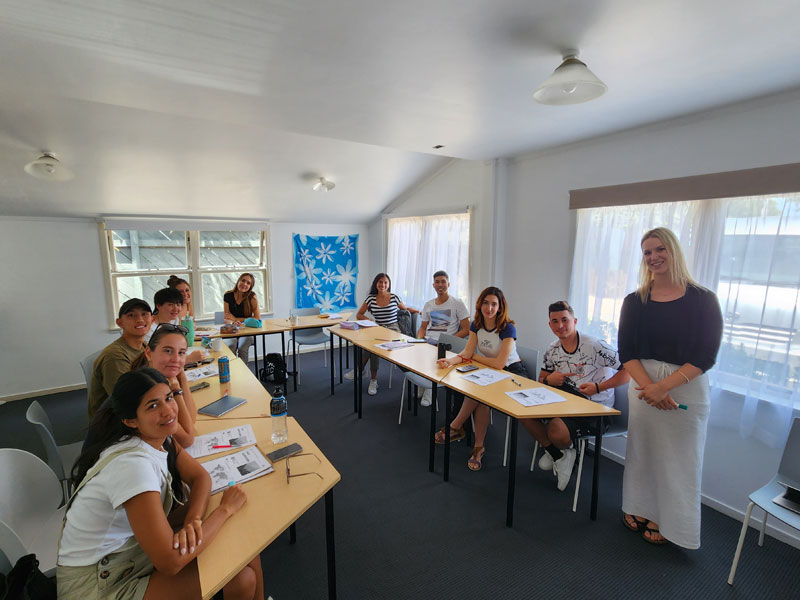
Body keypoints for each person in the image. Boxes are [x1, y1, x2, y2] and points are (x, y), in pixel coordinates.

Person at [58, 368, 263, 599]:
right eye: (153, 406)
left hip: (127, 555)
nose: (168, 411)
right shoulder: (133, 466)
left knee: (245, 545)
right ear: (130, 420)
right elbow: (171, 563)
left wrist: (193, 520)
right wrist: (225, 510)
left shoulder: (157, 437)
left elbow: (200, 477)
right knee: (241, 579)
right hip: (99, 584)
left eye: (168, 398)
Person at [618, 227, 722, 548]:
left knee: (679, 460)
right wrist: (651, 387)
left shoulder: (704, 300)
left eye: (660, 249)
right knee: (643, 452)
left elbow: (707, 355)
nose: (654, 257)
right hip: (642, 387)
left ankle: (671, 521)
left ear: (674, 251)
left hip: (686, 387)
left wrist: (664, 388)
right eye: (647, 252)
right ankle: (639, 506)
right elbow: (627, 352)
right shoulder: (635, 301)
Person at [521, 300, 630, 491]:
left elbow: (628, 371)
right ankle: (558, 454)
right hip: (565, 400)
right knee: (523, 412)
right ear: (550, 325)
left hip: (596, 407)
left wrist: (599, 387)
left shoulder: (595, 346)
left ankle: (556, 448)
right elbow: (542, 379)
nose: (560, 325)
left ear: (575, 321)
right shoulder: (552, 348)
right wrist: (548, 381)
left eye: (565, 320)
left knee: (555, 430)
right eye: (555, 321)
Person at [433, 286, 528, 471]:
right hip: (491, 372)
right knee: (480, 396)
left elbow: (500, 363)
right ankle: (479, 447)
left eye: (494, 304)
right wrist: (450, 361)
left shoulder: (508, 328)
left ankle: (455, 426)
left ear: (500, 307)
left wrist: (474, 358)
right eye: (486, 303)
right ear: (480, 305)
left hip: (513, 374)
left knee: (479, 390)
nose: (489, 308)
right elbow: (468, 351)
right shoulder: (477, 324)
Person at [344, 273, 418, 396]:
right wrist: (370, 321)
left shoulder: (394, 297)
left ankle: (363, 372)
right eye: (380, 282)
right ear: (376, 284)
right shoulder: (370, 299)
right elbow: (359, 314)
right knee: (371, 347)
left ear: (388, 285)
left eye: (385, 282)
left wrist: (416, 311)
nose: (382, 285)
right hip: (378, 328)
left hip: (393, 330)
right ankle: (371, 378)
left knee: (373, 347)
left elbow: (405, 309)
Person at [131, 324, 198, 447]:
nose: (176, 359)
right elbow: (187, 439)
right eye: (168, 351)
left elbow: (190, 419)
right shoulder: (148, 386)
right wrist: (177, 389)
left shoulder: (162, 377)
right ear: (149, 353)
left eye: (181, 352)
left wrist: (181, 376)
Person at [87, 298, 153, 419]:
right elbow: (125, 401)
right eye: (131, 315)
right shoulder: (114, 356)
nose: (140, 319)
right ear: (119, 323)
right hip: (114, 423)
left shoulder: (144, 346)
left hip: (137, 407)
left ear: (152, 319)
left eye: (144, 314)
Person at [416, 270, 470, 406]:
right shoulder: (429, 304)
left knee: (434, 356)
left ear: (448, 284)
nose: (440, 285)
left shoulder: (457, 303)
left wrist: (450, 340)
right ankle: (422, 383)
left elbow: (466, 328)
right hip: (428, 340)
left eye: (443, 282)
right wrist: (418, 339)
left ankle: (430, 389)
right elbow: (423, 327)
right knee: (414, 353)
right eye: (437, 282)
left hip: (446, 344)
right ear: (433, 285)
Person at [146, 287, 204, 361]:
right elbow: (153, 360)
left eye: (178, 304)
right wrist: (188, 359)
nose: (176, 309)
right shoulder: (149, 327)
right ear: (158, 306)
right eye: (170, 304)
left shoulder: (174, 319)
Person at [223, 273, 261, 361]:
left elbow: (257, 318)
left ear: (250, 286)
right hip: (232, 329)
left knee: (242, 348)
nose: (244, 284)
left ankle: (244, 374)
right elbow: (226, 317)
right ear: (238, 281)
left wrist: (236, 319)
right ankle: (231, 372)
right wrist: (233, 322)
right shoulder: (228, 295)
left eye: (248, 283)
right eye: (243, 281)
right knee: (231, 346)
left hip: (247, 330)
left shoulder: (252, 297)